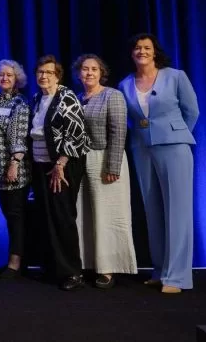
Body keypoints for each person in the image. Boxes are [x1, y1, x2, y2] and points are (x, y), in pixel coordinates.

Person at [118, 33, 199, 294]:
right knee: (152, 210)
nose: (142, 51)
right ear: (132, 53)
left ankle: (177, 277)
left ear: (155, 52)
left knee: (177, 212)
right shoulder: (125, 84)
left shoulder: (175, 76)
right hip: (142, 149)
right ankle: (161, 271)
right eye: (137, 48)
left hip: (174, 147)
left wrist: (176, 134)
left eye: (147, 47)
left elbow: (192, 111)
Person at [73, 54, 137, 289]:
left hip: (105, 159)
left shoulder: (112, 95)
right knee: (83, 215)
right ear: (79, 74)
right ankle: (88, 264)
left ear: (101, 73)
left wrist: (112, 165)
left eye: (94, 69)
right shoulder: (76, 98)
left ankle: (108, 268)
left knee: (107, 215)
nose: (89, 73)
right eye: (85, 69)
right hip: (81, 160)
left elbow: (118, 132)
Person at [29, 55, 91, 291]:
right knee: (46, 217)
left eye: (49, 72)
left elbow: (77, 133)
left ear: (58, 76)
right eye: (40, 72)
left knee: (62, 217)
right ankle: (52, 267)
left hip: (62, 165)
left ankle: (72, 272)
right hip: (40, 164)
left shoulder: (67, 97)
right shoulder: (37, 98)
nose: (43, 76)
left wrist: (60, 164)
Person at [0, 60, 31, 280]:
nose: (4, 78)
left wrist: (14, 163)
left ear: (17, 79)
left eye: (9, 75)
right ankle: (14, 260)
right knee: (8, 216)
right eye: (1, 75)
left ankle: (16, 264)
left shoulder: (19, 103)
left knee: (16, 216)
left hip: (15, 169)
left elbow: (18, 136)